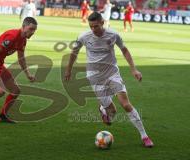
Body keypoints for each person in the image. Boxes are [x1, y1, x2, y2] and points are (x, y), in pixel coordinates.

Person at [65, 12, 154, 148]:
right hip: (95, 76)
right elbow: (73, 53)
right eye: (91, 26)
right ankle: (103, 108)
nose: (94, 29)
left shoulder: (113, 35)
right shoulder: (84, 36)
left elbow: (124, 50)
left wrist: (134, 69)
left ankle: (144, 136)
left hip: (112, 73)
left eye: (96, 26)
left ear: (102, 23)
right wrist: (68, 70)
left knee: (125, 104)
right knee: (112, 112)